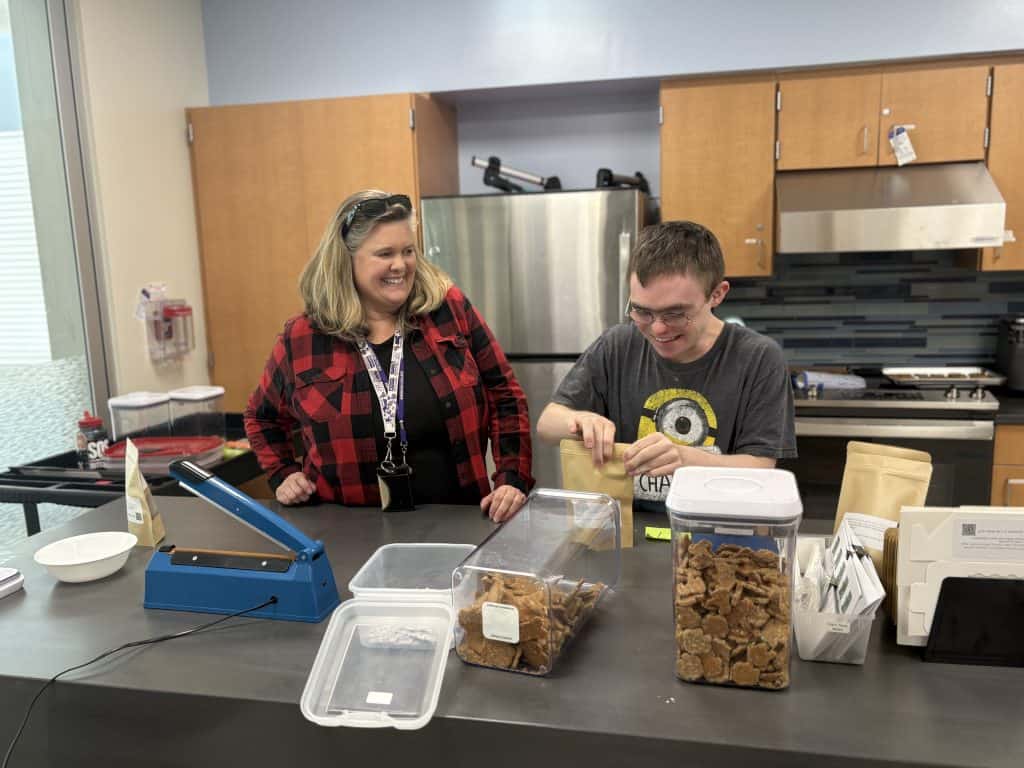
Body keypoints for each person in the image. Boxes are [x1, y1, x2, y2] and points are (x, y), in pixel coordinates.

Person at [244, 190, 533, 521]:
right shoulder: (304, 337)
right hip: (348, 536)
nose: (401, 265)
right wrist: (283, 473)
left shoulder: (449, 309)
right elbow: (261, 417)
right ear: (346, 260)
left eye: (408, 251)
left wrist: (512, 477)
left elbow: (505, 395)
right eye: (384, 254)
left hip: (458, 522)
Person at [537, 221, 796, 514]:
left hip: (715, 535)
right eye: (642, 311)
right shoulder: (618, 345)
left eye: (675, 313)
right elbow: (547, 425)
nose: (658, 328)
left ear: (717, 294)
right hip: (625, 532)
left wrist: (685, 459)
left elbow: (761, 468)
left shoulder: (758, 358)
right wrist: (581, 420)